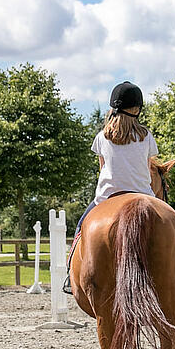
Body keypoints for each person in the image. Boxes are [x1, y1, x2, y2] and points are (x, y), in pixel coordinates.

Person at [63, 81, 158, 294]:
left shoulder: (102, 137)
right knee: (173, 224)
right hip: (143, 196)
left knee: (80, 229)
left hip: (106, 198)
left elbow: (102, 168)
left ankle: (69, 275)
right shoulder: (146, 136)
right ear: (138, 108)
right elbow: (148, 168)